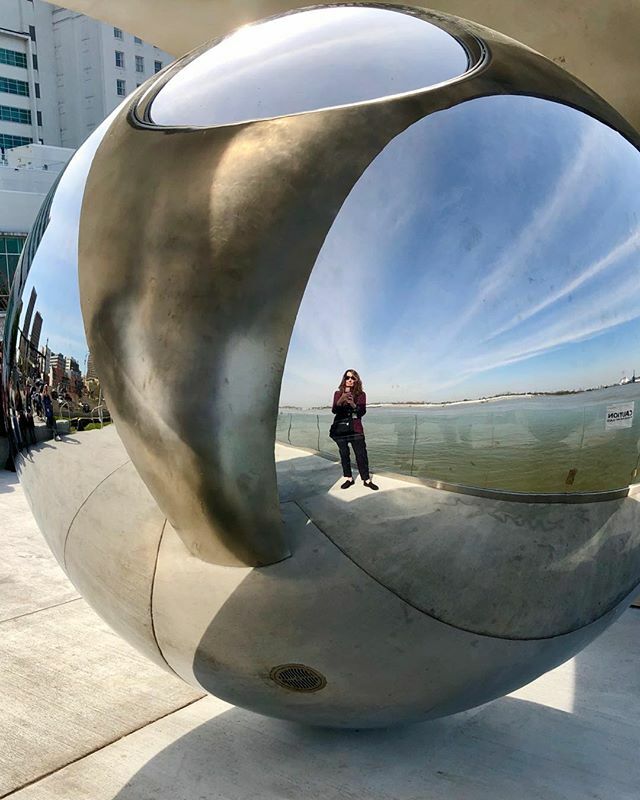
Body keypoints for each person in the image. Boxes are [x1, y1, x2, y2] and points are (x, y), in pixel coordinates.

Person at [330, 369, 378, 490]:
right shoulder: (337, 393)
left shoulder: (361, 394)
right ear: (344, 379)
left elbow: (362, 412)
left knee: (361, 454)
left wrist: (353, 404)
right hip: (341, 428)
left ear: (356, 380)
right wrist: (341, 400)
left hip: (356, 428)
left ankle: (366, 480)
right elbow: (334, 411)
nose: (350, 380)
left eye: (352, 378)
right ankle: (348, 478)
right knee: (344, 454)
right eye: (347, 378)